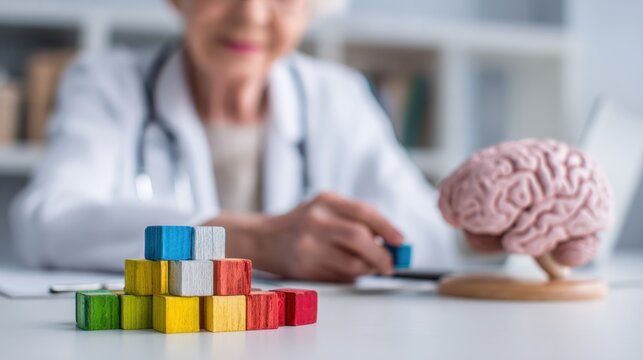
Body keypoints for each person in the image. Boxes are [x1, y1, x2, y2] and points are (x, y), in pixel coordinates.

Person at [10, 0, 456, 282]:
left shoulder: (339, 96)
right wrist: (253, 241)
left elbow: (429, 236)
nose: (251, 15)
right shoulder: (107, 83)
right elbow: (48, 221)